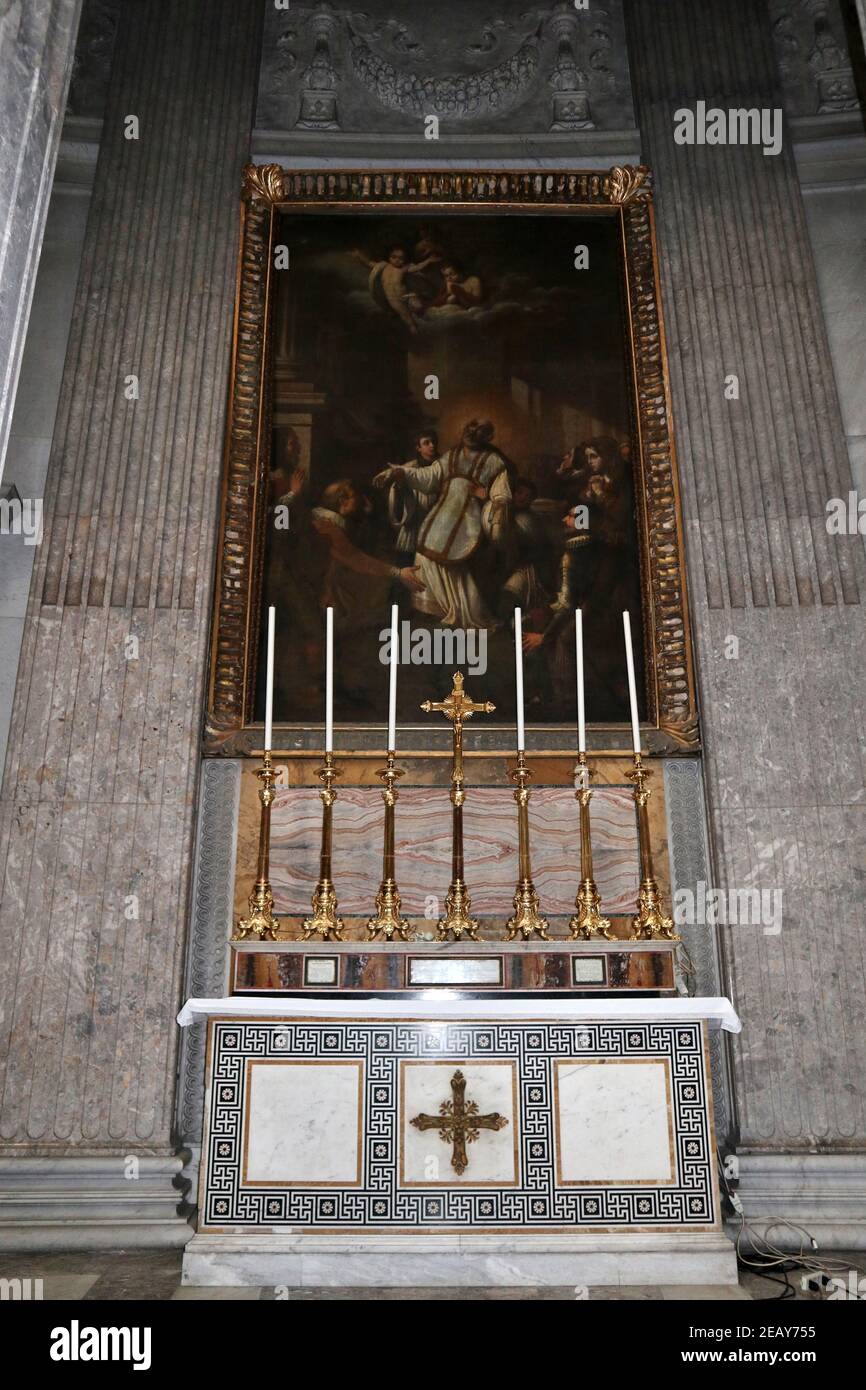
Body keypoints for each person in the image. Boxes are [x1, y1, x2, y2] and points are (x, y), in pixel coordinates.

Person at [374, 419, 512, 628]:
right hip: (442, 516)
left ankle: (463, 611)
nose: (473, 435)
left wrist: (488, 498)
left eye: (478, 433)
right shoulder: (452, 456)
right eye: (471, 431)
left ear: (485, 437)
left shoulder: (494, 461)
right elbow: (428, 477)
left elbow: (501, 495)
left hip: (469, 519)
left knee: (456, 564)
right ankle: (434, 608)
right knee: (425, 555)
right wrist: (398, 472)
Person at [386, 430, 439, 565]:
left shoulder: (443, 466)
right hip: (414, 523)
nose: (432, 445)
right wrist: (400, 484)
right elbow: (397, 495)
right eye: (426, 443)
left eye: (433, 442)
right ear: (418, 448)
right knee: (406, 566)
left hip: (437, 524)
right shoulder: (408, 468)